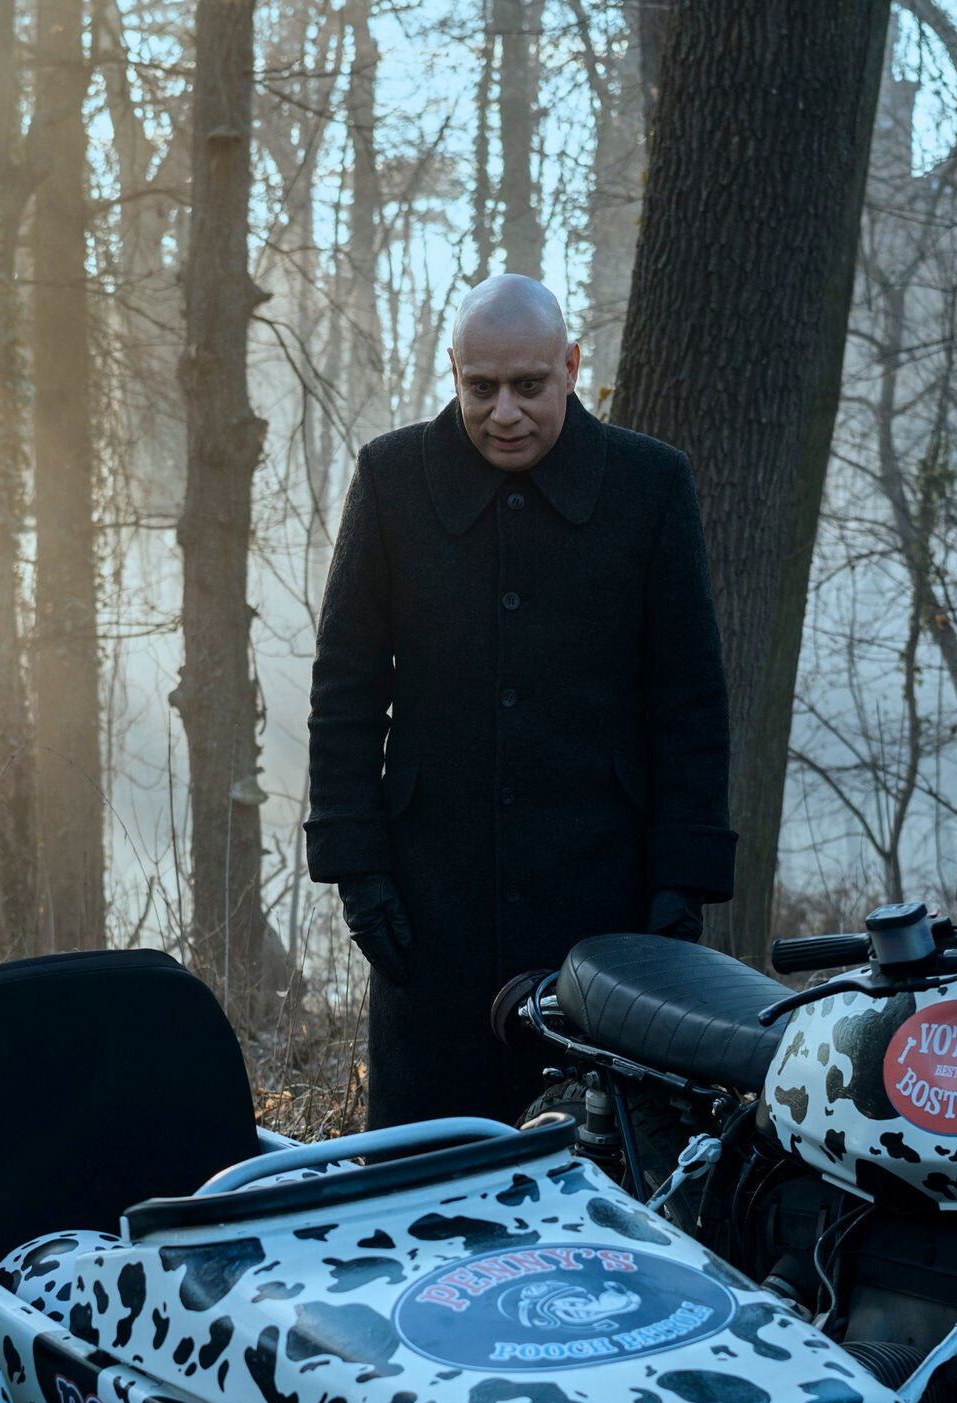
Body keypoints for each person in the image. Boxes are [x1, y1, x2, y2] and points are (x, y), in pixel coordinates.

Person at [304, 275, 734, 1127]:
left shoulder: (650, 486)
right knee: (429, 1169)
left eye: (529, 386)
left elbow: (689, 700)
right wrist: (359, 871)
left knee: (601, 1158)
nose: (505, 412)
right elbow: (345, 689)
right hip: (429, 911)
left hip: (602, 903)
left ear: (570, 368)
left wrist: (679, 883)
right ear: (454, 372)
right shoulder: (392, 479)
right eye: (482, 387)